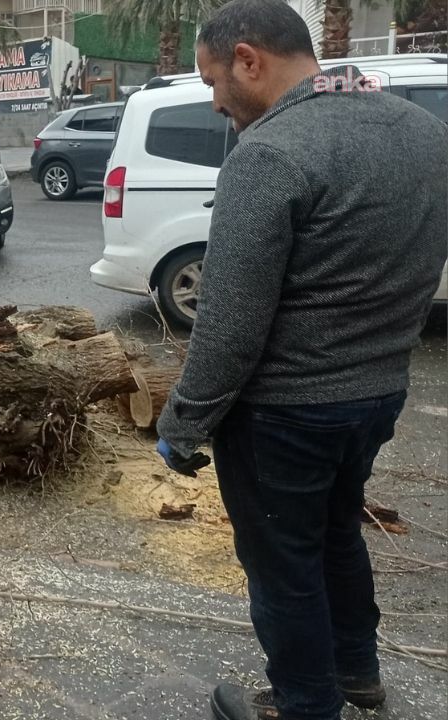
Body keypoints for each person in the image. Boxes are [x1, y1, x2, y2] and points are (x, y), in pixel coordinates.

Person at [153, 2, 448, 719]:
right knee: (335, 531)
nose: (215, 100)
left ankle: (303, 703)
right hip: (379, 393)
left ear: (248, 59)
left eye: (213, 79)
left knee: (283, 566)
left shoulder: (269, 154)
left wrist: (184, 424)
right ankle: (355, 673)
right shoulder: (425, 131)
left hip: (285, 412)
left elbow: (228, 325)